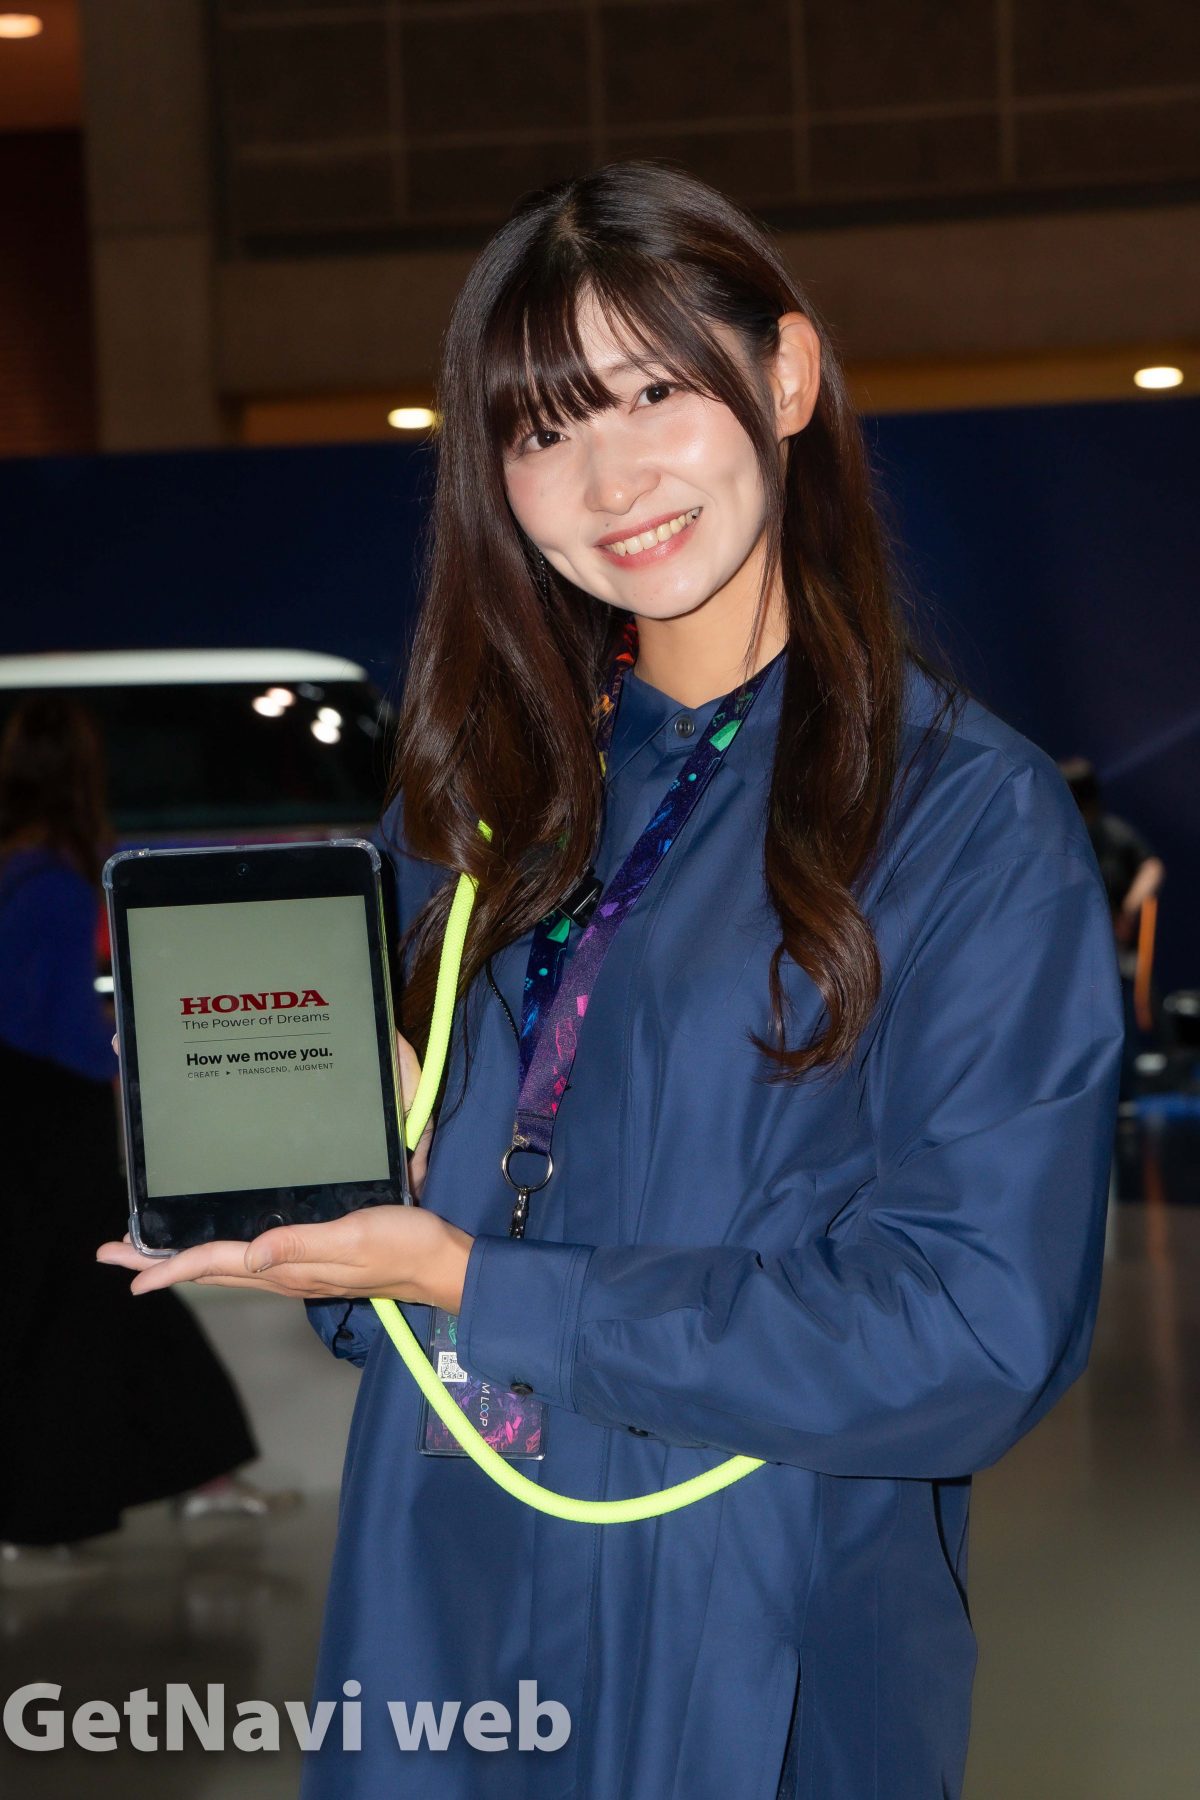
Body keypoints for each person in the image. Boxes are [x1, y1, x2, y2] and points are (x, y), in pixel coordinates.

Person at [98, 161, 1125, 1797]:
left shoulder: (959, 819)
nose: (609, 476)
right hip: (440, 1603)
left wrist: (476, 1283)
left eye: (654, 391)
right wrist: (333, 1225)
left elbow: (973, 1333)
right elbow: (424, 1266)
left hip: (749, 1620)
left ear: (785, 377)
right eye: (542, 427)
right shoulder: (474, 802)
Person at [0, 695, 291, 1584]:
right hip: (52, 1114)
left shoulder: (14, 868)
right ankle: (49, 1516)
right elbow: (50, 1022)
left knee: (106, 1288)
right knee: (84, 1294)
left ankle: (201, 1472)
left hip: (23, 1116)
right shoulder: (55, 880)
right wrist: (130, 1061)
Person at [1059, 756, 1166, 1094]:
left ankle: (1129, 1086)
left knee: (1124, 1014)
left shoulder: (1113, 833)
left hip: (1115, 954)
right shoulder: (1060, 838)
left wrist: (1130, 908)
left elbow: (1151, 867)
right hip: (1074, 955)